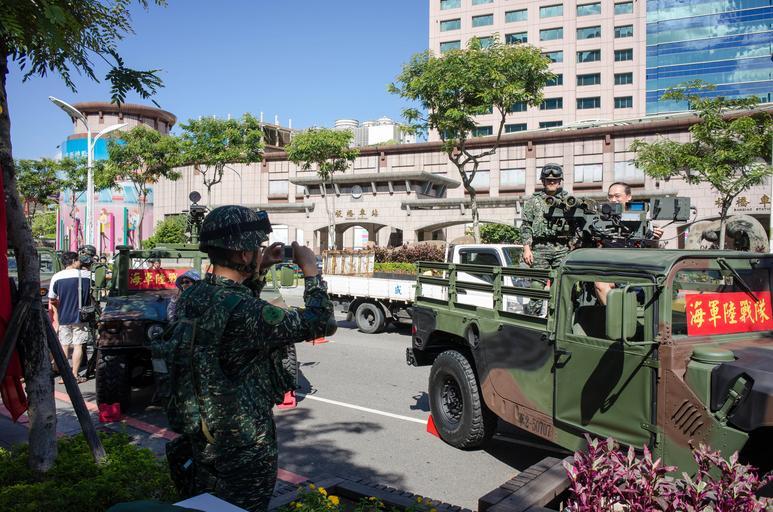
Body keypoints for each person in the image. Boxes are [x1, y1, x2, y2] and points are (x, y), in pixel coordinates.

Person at [163, 205, 333, 511]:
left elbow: (233, 307)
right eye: (257, 248)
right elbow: (320, 322)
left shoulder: (192, 296)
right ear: (243, 254)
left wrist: (260, 269)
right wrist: (311, 273)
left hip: (203, 438)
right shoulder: (247, 312)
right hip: (243, 449)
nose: (260, 252)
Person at [595, 182, 663, 305]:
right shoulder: (601, 222)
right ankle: (613, 315)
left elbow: (654, 251)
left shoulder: (641, 220)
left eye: (617, 196)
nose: (613, 200)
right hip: (612, 271)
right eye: (610, 196)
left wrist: (655, 239)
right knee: (600, 284)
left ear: (629, 197)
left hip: (637, 272)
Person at [521, 163, 573, 316]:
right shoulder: (533, 201)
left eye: (555, 180)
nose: (552, 182)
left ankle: (556, 319)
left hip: (562, 247)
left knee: (560, 285)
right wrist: (527, 248)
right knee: (537, 285)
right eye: (548, 180)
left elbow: (577, 223)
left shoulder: (569, 200)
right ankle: (533, 318)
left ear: (559, 181)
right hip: (540, 247)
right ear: (543, 181)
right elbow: (526, 226)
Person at [48, 251, 93, 383]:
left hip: (64, 316)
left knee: (64, 345)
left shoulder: (57, 277)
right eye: (78, 260)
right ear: (73, 261)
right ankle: (74, 374)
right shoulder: (86, 275)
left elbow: (52, 298)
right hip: (81, 316)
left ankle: (64, 375)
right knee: (78, 345)